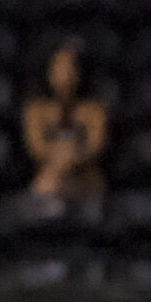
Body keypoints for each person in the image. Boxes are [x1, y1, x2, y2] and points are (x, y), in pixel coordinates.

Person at [22, 38, 107, 204]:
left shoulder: (94, 110)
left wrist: (71, 156)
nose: (67, 74)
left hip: (85, 177)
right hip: (48, 173)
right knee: (49, 180)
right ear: (48, 69)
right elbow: (36, 147)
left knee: (58, 179)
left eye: (71, 67)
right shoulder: (35, 110)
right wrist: (59, 156)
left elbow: (96, 146)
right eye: (60, 67)